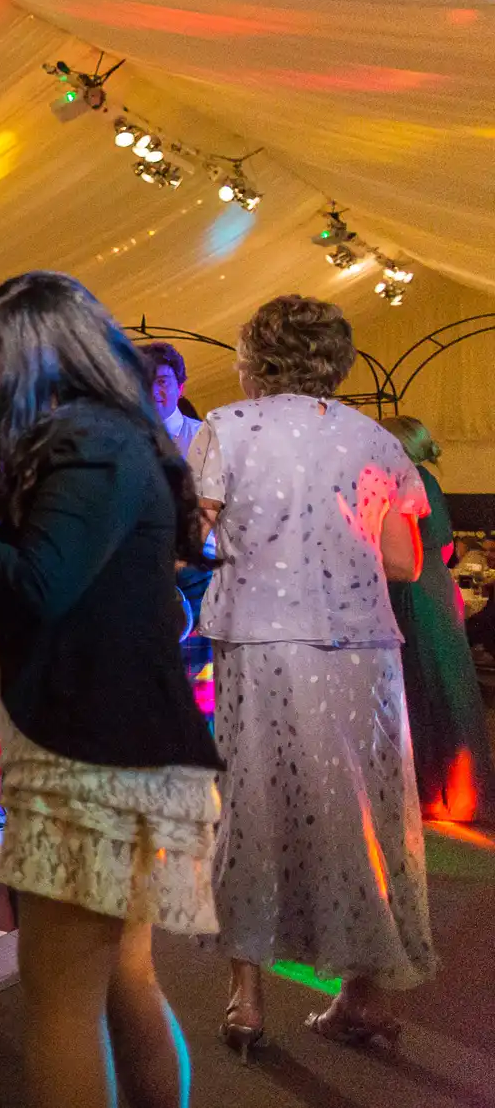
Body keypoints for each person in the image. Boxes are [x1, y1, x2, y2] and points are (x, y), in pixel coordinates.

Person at [0, 271, 223, 1108]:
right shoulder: (101, 436)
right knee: (125, 976)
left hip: (92, 755)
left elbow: (39, 586)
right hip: (122, 747)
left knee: (60, 1001)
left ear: (33, 353)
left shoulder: (86, 441)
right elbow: (62, 592)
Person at [192, 295, 436, 1055]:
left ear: (257, 357)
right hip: (361, 648)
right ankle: (358, 997)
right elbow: (403, 560)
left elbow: (190, 534)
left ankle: (246, 1000)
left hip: (260, 643)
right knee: (367, 815)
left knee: (251, 809)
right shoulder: (374, 439)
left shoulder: (225, 429)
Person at [379, 416, 491, 823]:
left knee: (423, 683)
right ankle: (452, 791)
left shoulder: (408, 481)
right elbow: (445, 546)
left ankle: (437, 792)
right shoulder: (424, 479)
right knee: (443, 683)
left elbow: (427, 548)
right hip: (434, 588)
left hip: (415, 591)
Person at [142, 341, 216, 720]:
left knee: (201, 699)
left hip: (197, 578)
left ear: (180, 385)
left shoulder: (205, 438)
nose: (154, 389)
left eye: (163, 380)